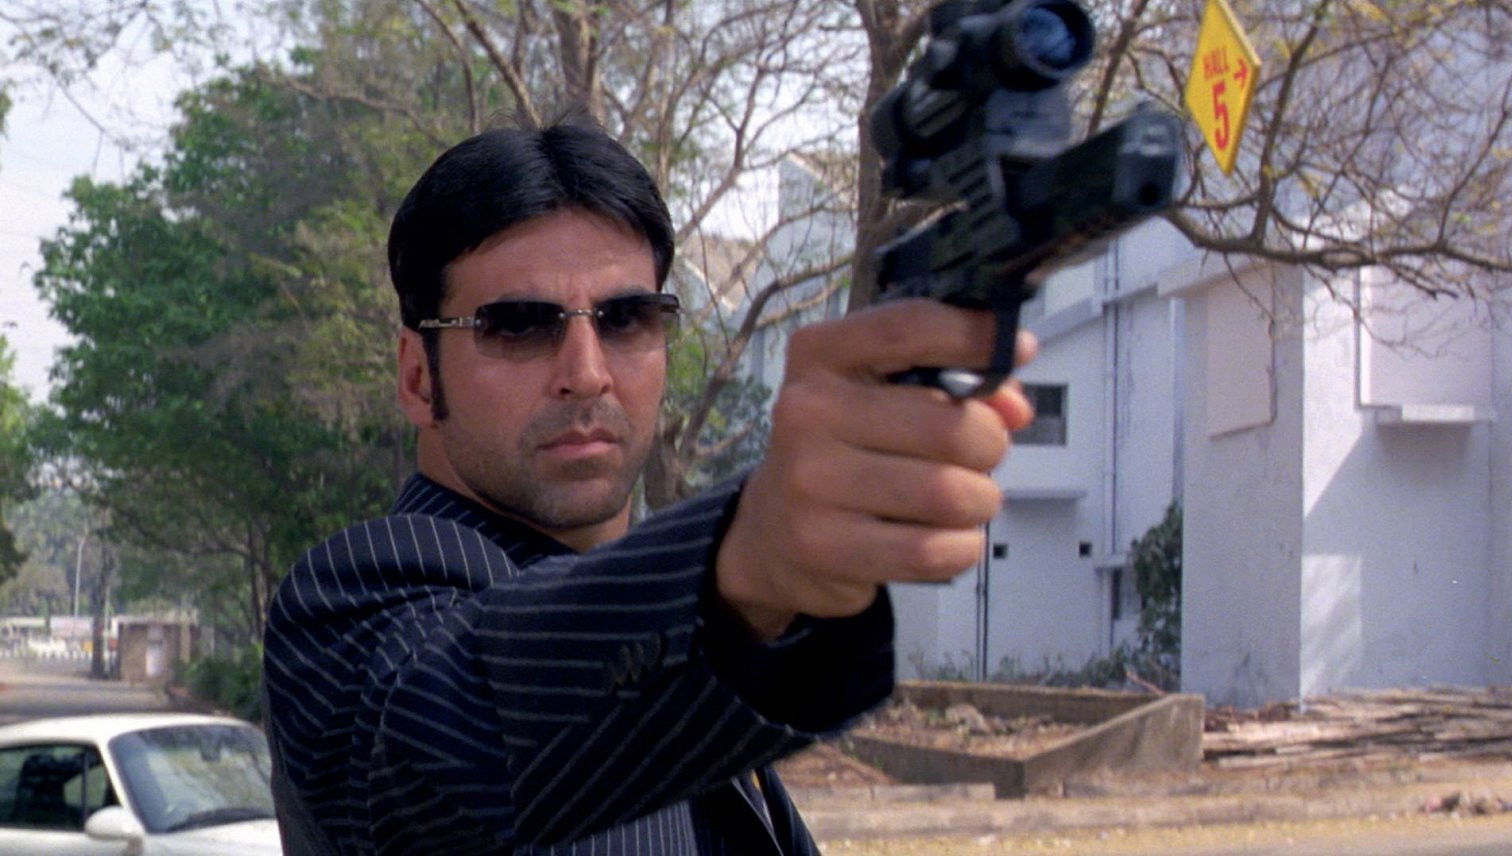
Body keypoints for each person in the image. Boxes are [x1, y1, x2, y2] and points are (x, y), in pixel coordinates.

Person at [263, 118, 1035, 855]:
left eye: (627, 318)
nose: (587, 372)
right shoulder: (352, 614)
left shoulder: (691, 675)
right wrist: (743, 570)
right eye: (519, 326)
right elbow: (453, 730)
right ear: (416, 377)